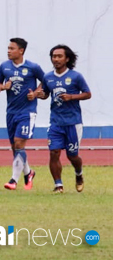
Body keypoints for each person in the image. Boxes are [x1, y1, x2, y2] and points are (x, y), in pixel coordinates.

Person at [35, 45, 91, 193]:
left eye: (59, 56)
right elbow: (46, 93)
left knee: (72, 156)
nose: (56, 59)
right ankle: (58, 185)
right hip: (55, 122)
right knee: (54, 152)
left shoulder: (75, 76)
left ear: (67, 59)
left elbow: (87, 94)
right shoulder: (48, 77)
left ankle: (78, 173)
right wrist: (41, 95)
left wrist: (71, 97)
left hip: (73, 122)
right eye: (54, 56)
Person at [0, 38, 44, 190]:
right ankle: (29, 173)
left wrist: (36, 93)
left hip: (27, 112)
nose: (8, 51)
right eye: (8, 48)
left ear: (21, 50)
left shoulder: (33, 67)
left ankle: (13, 181)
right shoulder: (4, 67)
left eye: (12, 48)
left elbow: (46, 81)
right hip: (11, 112)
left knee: (19, 143)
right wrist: (4, 87)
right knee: (15, 147)